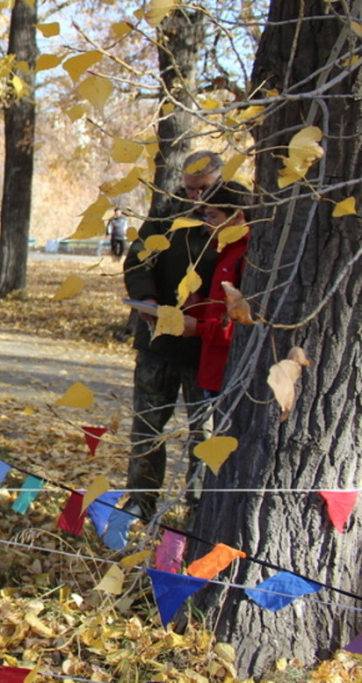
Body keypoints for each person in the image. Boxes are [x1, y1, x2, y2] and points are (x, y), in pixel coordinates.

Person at [122, 151, 223, 518]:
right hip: (159, 342)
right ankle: (140, 501)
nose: (195, 197)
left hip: (207, 348)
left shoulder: (237, 211)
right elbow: (138, 260)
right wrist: (146, 299)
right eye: (190, 188)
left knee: (206, 433)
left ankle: (200, 506)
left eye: (204, 189)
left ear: (220, 180)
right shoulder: (167, 212)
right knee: (148, 425)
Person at [183, 182, 252, 394]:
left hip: (232, 374)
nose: (206, 223)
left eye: (213, 216)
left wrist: (199, 328)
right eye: (205, 216)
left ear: (238, 216)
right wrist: (197, 307)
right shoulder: (227, 252)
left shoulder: (248, 255)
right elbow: (222, 310)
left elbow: (246, 323)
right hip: (215, 372)